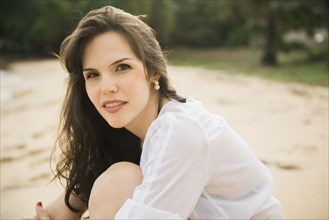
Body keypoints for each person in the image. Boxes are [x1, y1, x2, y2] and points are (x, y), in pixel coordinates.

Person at [29, 5, 282, 219]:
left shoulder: (180, 130)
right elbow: (55, 214)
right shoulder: (122, 134)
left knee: (119, 181)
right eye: (93, 75)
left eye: (122, 67)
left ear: (153, 72)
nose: (106, 88)